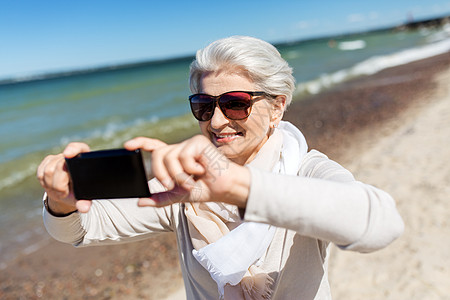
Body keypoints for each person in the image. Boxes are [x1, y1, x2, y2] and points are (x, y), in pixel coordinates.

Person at [37, 36, 404, 300]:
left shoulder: (306, 171)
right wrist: (63, 199)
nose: (215, 122)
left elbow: (380, 225)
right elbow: (82, 229)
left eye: (234, 104)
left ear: (277, 107)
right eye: (203, 105)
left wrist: (238, 187)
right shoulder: (185, 186)